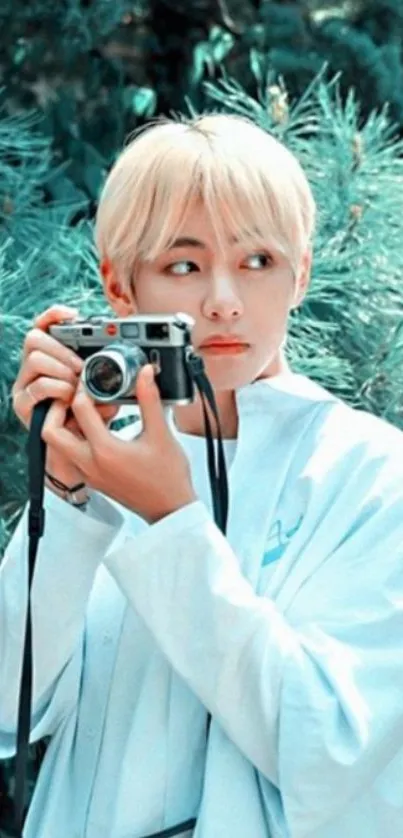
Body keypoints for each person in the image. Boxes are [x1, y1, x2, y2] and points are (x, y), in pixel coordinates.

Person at [1, 113, 403, 838]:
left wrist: (172, 522)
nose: (222, 299)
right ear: (119, 287)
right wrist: (60, 498)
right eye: (182, 266)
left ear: (300, 274)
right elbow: (9, 709)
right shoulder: (102, 460)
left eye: (257, 261)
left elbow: (336, 751)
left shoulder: (374, 477)